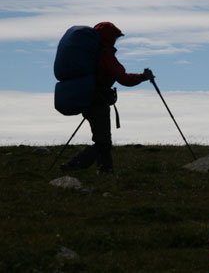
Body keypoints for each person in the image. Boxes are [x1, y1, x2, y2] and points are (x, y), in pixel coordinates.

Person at [61, 22, 154, 174]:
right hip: (98, 101)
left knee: (102, 140)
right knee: (103, 142)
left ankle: (105, 171)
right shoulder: (105, 55)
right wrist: (143, 77)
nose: (116, 40)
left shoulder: (92, 54)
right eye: (115, 37)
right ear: (109, 38)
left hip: (88, 98)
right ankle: (74, 165)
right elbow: (124, 79)